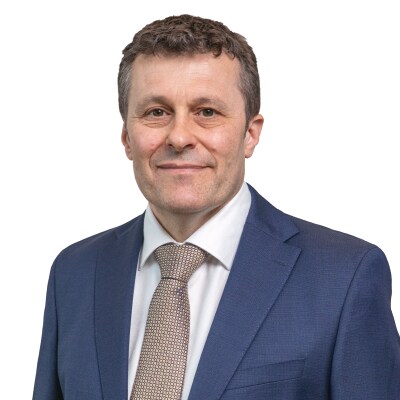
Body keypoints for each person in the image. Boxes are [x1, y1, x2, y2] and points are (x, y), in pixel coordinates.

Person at [33, 14, 400, 400]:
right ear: (127, 137)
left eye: (207, 112)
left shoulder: (344, 278)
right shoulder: (74, 273)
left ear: (250, 134)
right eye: (156, 112)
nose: (179, 137)